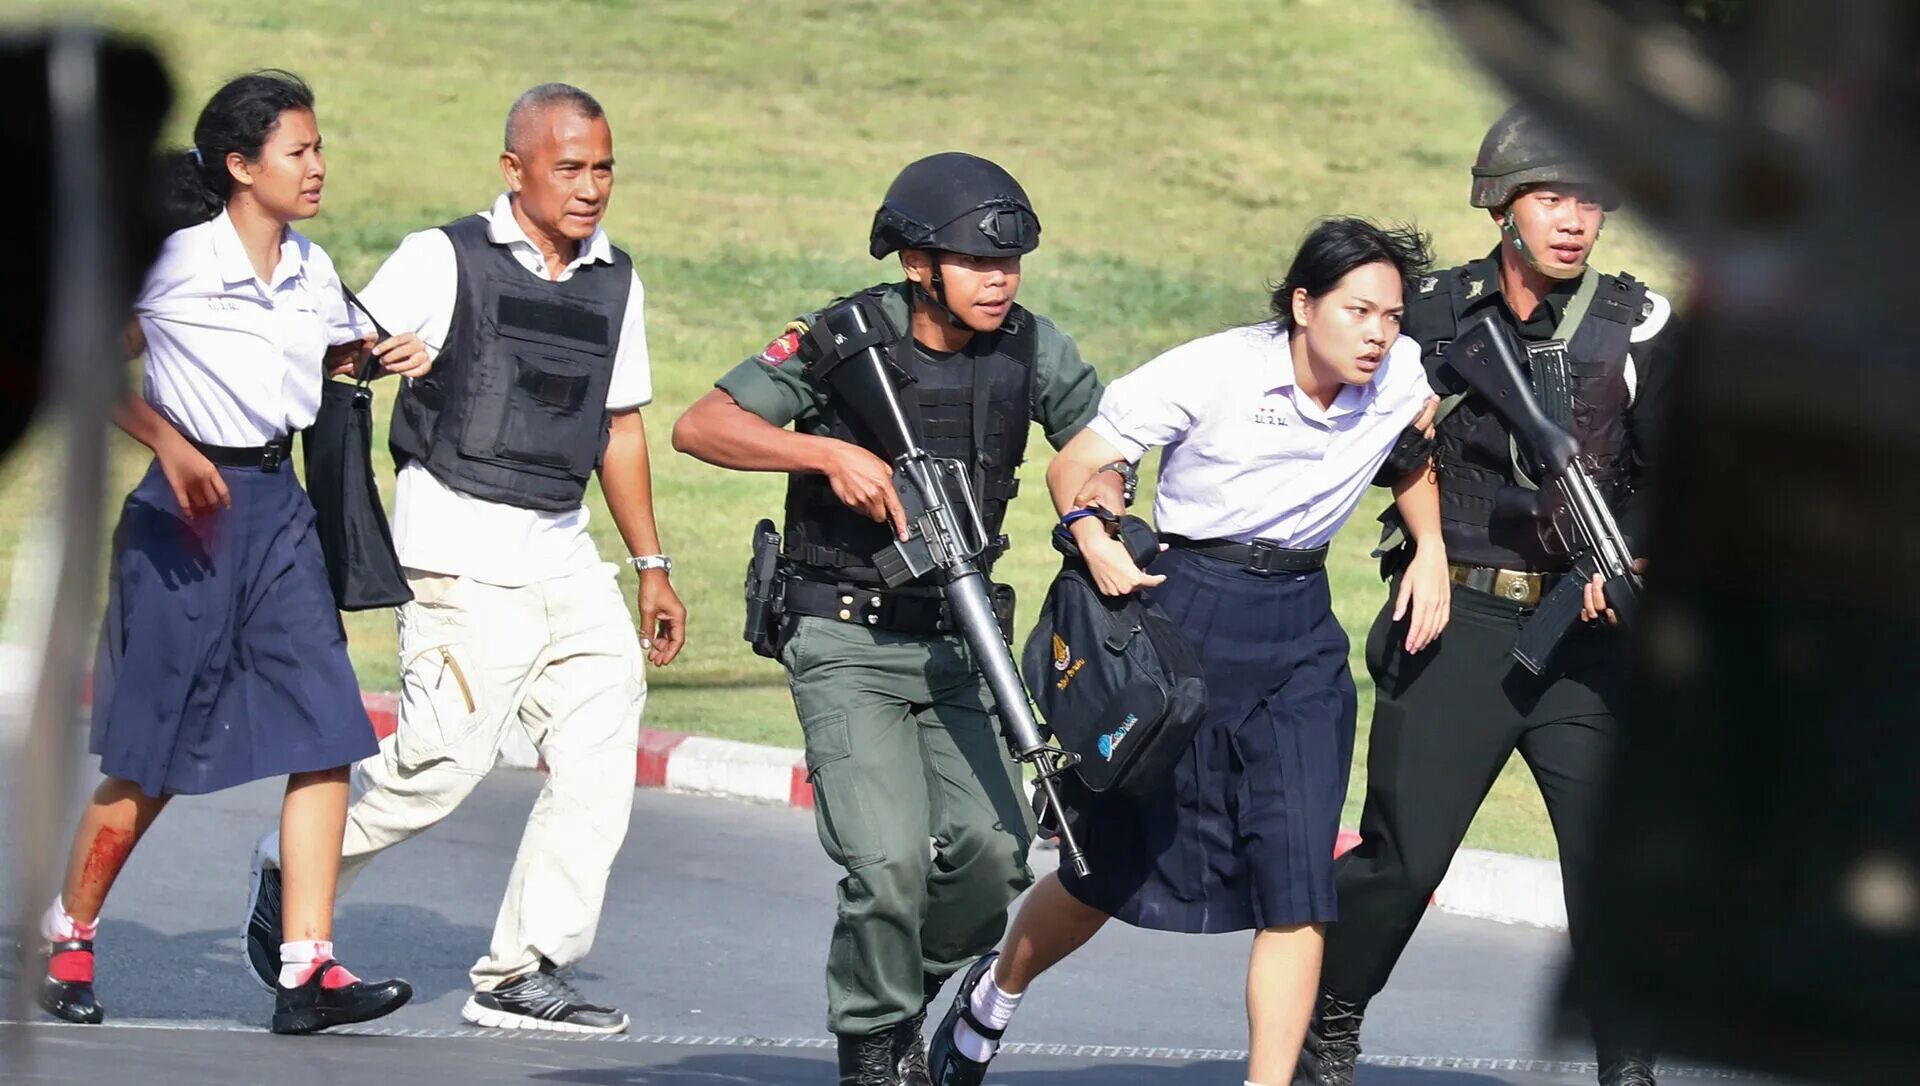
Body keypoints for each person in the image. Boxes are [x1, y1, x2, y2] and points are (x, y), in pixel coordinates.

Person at [920, 217, 1450, 1086]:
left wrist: (1428, 547)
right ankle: (993, 998)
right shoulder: (1213, 370)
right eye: (1359, 311)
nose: (1379, 332)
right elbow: (1082, 460)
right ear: (1302, 304)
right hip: (1181, 618)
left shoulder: (1400, 374)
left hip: (1301, 635)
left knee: (1297, 883)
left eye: (1391, 315)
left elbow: (1411, 455)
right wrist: (1092, 533)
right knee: (1106, 870)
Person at [242, 82, 686, 1035]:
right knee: (439, 768)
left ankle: (524, 969)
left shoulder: (617, 278)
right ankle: (296, 863)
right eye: (568, 167)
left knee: (600, 758)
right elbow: (327, 358)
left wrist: (651, 563)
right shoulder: (441, 258)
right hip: (456, 553)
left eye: (603, 166)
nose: (590, 186)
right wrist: (366, 355)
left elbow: (618, 424)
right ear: (513, 169)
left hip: (567, 558)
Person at [672, 152, 1115, 1086]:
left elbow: (1098, 439)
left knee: (996, 857)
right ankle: (874, 1048)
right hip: (844, 635)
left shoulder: (1032, 347)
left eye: (1012, 265)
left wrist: (1097, 503)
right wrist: (824, 455)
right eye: (976, 263)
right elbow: (702, 425)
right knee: (885, 867)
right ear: (917, 263)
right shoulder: (843, 338)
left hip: (964, 641)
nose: (1000, 281)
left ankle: (897, 997)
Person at [1294, 108, 1679, 1086]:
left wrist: (1625, 561)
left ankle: (1626, 1066)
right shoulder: (1425, 315)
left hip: (1587, 639)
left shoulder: (1640, 323)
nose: (1574, 219)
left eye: (1590, 200)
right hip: (1457, 619)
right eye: (1553, 197)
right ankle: (1326, 1026)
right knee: (1402, 863)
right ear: (1502, 205)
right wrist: (1421, 543)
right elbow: (1354, 429)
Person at [38, 70, 422, 1035]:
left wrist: (375, 357)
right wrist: (167, 441)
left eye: (320, 147)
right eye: (300, 150)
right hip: (182, 514)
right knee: (152, 753)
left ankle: (307, 971)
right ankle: (67, 935)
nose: (318, 166)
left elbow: (329, 356)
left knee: (328, 732)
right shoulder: (173, 260)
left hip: (278, 510)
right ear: (242, 166)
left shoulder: (314, 269)